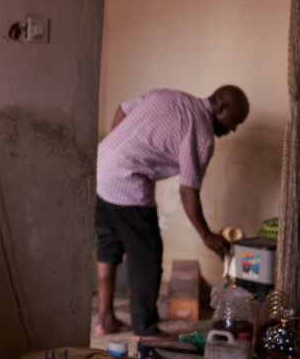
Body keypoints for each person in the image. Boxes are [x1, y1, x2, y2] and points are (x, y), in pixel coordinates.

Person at [95, 86, 249, 338]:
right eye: (236, 121)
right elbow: (188, 190)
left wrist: (117, 153)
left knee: (108, 246)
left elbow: (123, 108)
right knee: (147, 257)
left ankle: (105, 320)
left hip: (101, 166)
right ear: (221, 109)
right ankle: (145, 329)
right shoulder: (202, 134)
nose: (234, 128)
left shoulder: (172, 96)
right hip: (126, 183)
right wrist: (207, 236)